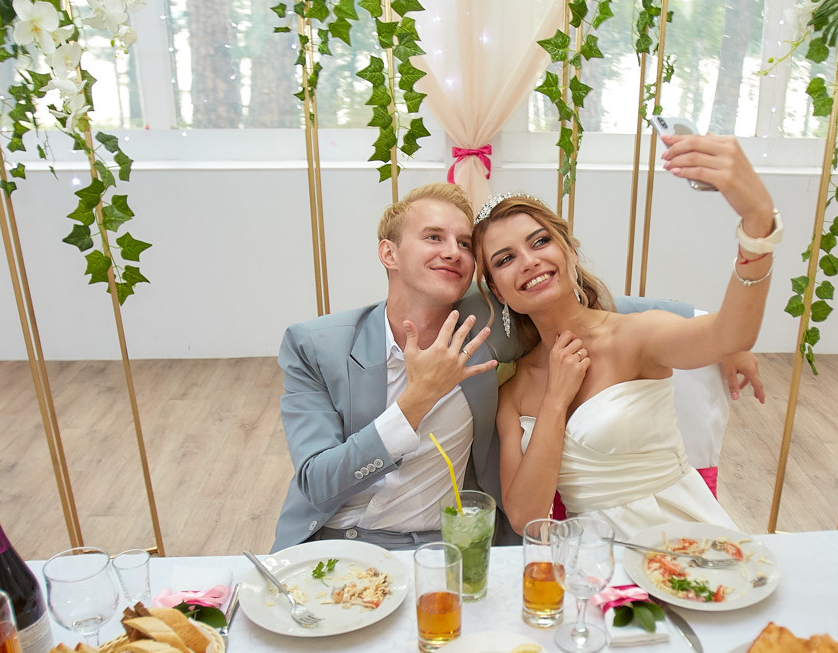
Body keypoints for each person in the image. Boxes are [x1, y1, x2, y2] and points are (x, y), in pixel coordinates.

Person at [273, 182, 759, 551]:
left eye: (464, 244)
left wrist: (714, 332)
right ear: (389, 253)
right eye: (433, 237)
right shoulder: (316, 346)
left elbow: (586, 307)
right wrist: (418, 398)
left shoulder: (483, 334)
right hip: (335, 542)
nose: (451, 252)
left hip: (445, 548)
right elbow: (316, 482)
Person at [480, 133, 780, 538]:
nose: (530, 261)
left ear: (569, 249)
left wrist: (757, 223)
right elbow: (525, 519)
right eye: (505, 259)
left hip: (682, 542)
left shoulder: (637, 337)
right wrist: (555, 400)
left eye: (540, 241)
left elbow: (730, 334)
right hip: (592, 568)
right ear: (498, 291)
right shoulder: (513, 394)